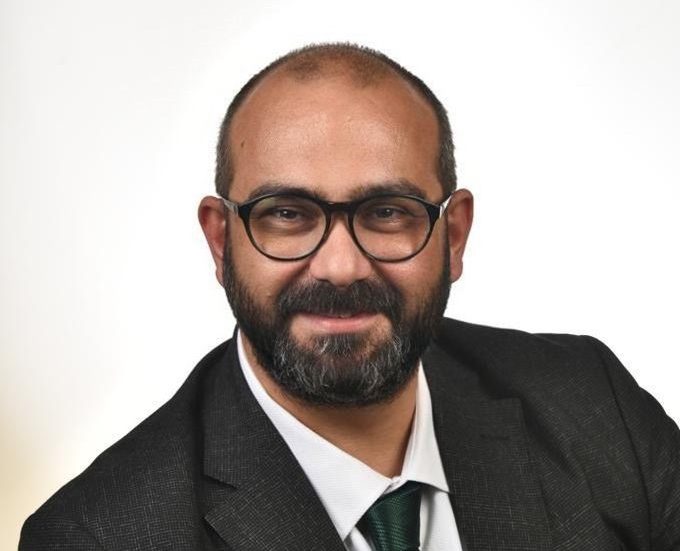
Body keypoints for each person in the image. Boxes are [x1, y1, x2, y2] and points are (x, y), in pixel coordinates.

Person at [20, 43, 679, 551]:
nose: (340, 267)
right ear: (221, 241)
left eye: (387, 211)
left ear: (453, 235)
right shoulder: (97, 536)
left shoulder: (595, 408)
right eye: (287, 214)